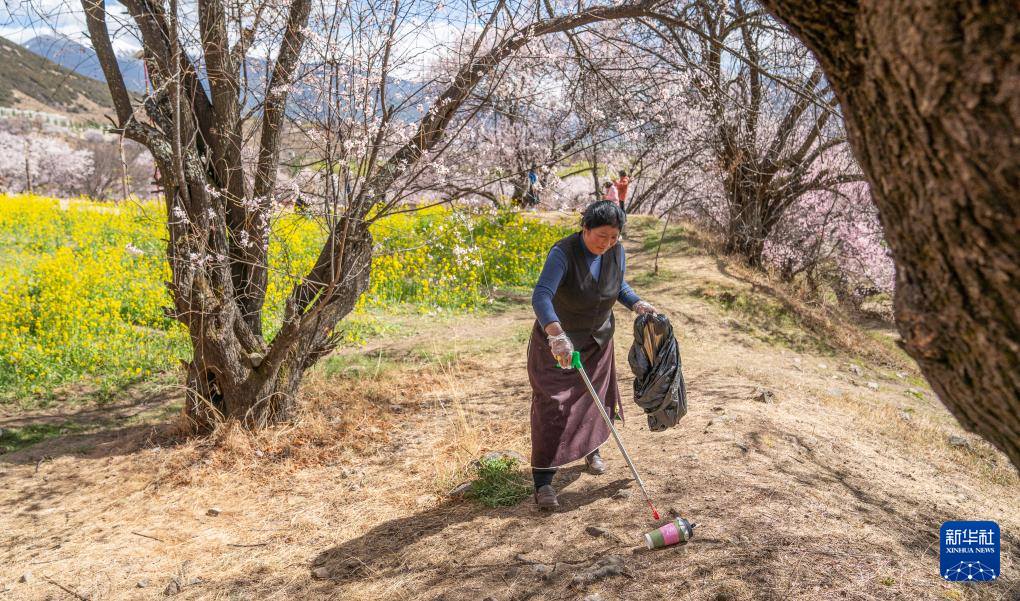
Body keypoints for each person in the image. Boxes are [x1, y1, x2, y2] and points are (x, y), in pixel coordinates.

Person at [528, 201, 659, 509]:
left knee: (594, 400)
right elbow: (541, 294)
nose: (608, 243)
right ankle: (544, 481)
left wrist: (637, 303)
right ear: (584, 228)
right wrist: (556, 334)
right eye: (601, 235)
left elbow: (617, 286)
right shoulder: (564, 253)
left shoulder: (616, 251)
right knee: (554, 407)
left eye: (614, 237)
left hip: (597, 341)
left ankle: (592, 449)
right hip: (559, 345)